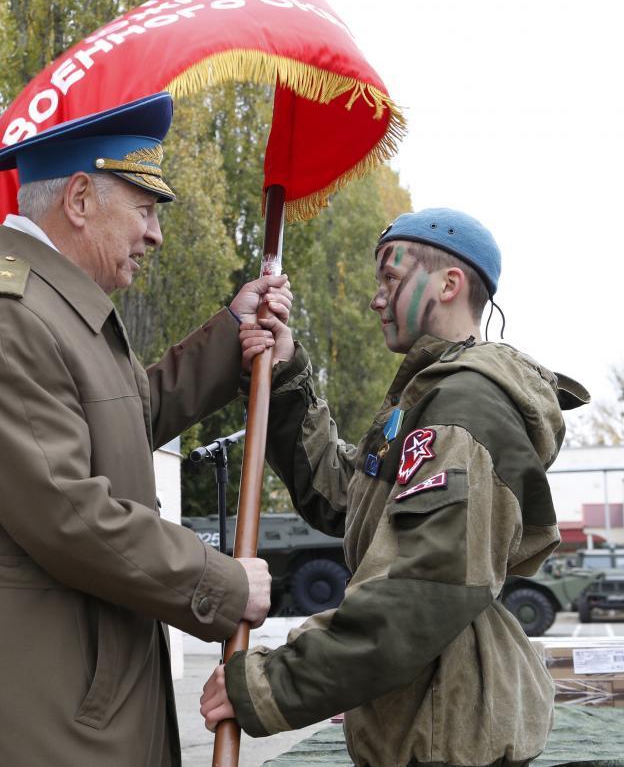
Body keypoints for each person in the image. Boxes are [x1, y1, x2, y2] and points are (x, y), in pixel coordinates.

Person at [0, 92, 287, 766]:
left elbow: (126, 418)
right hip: (32, 702)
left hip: (78, 682)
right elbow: (67, 512)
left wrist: (233, 332)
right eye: (143, 210)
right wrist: (222, 584)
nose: (156, 233)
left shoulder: (52, 309)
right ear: (80, 200)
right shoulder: (6, 320)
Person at [201, 207, 590, 767]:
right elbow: (344, 497)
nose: (377, 298)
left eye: (391, 278)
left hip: (448, 735)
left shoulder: (467, 406)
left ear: (450, 283)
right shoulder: (430, 398)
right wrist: (286, 380)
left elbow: (421, 591)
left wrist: (268, 684)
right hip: (429, 721)